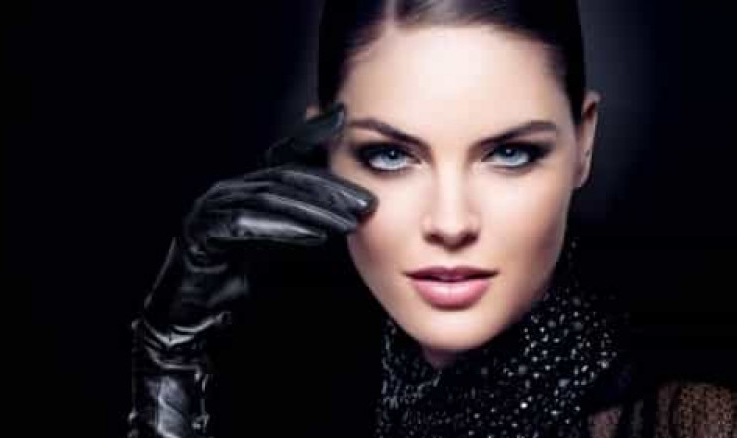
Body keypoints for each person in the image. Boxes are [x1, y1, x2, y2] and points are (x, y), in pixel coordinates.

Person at [127, 1, 736, 437]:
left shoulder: (690, 424)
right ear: (323, 152)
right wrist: (170, 361)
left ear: (585, 143)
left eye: (510, 153)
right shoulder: (289, 404)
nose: (450, 223)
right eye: (390, 156)